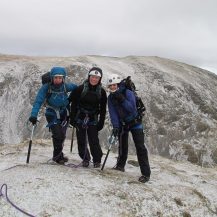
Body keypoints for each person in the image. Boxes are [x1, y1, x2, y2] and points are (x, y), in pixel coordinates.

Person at [107, 73, 151, 183]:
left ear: (118, 84)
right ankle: (120, 166)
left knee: (140, 147)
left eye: (114, 85)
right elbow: (113, 113)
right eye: (110, 85)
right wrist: (116, 126)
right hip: (123, 124)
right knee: (122, 145)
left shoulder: (128, 92)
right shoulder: (110, 98)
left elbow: (132, 109)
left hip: (135, 122)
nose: (112, 87)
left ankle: (146, 174)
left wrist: (121, 99)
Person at [29, 67, 77, 164]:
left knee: (62, 135)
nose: (58, 80)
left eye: (60, 78)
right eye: (56, 78)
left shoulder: (65, 86)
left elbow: (77, 88)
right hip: (51, 113)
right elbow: (38, 101)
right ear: (52, 78)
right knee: (58, 135)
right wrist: (33, 115)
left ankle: (59, 155)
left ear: (63, 78)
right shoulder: (46, 87)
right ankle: (57, 157)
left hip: (64, 113)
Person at [69, 67, 107, 168]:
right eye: (92, 77)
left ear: (100, 79)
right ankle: (85, 159)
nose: (94, 79)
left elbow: (103, 109)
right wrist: (72, 118)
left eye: (96, 78)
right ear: (89, 77)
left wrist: (101, 122)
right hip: (80, 117)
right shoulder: (80, 89)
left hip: (93, 119)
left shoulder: (102, 92)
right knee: (81, 140)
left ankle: (97, 160)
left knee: (94, 140)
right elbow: (73, 103)